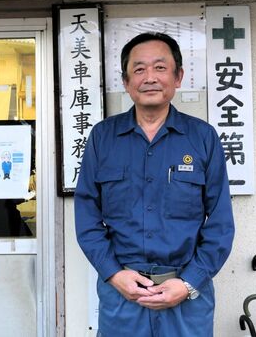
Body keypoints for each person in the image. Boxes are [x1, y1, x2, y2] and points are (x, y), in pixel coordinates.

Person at [74, 32, 235, 336]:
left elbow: (221, 222)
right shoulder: (103, 138)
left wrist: (188, 282)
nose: (150, 77)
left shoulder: (202, 138)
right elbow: (87, 216)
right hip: (123, 293)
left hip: (186, 294)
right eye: (139, 69)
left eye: (160, 68)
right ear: (125, 81)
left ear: (178, 77)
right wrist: (113, 274)